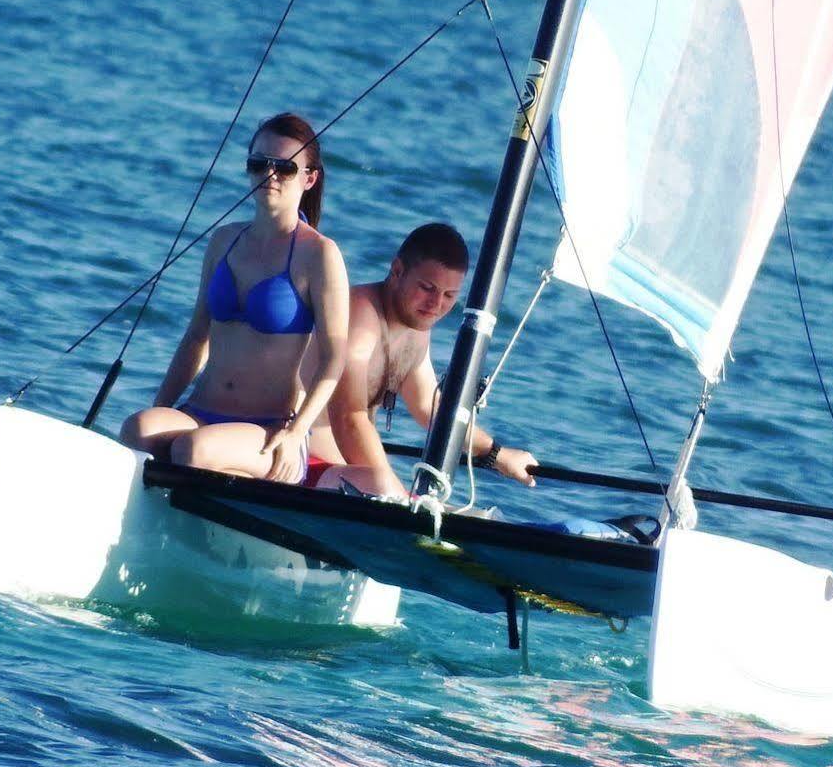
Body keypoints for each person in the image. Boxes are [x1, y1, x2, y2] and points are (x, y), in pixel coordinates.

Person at [119, 113, 349, 485]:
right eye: (259, 164)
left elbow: (334, 358)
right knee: (138, 428)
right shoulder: (224, 241)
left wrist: (295, 433)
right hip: (201, 410)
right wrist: (161, 405)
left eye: (285, 168)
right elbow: (197, 337)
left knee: (193, 450)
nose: (269, 176)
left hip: (269, 430)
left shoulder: (319, 254)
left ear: (310, 178)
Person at [312, 222, 538, 497]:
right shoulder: (360, 316)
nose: (436, 305)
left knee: (478, 517)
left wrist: (495, 453)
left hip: (346, 476)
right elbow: (349, 417)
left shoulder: (416, 330)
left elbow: (430, 410)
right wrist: (401, 500)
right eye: (427, 288)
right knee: (391, 490)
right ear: (397, 271)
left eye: (449, 295)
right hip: (302, 467)